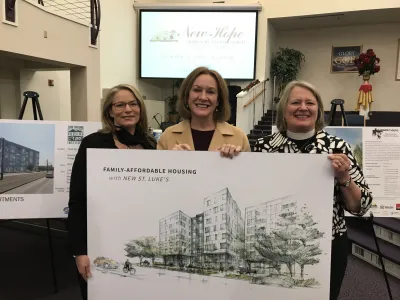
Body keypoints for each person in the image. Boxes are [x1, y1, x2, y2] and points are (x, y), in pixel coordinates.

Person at [252, 80, 373, 300]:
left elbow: (361, 206)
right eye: (295, 102)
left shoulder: (338, 147)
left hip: (327, 244)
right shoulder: (261, 148)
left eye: (310, 102)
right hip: (276, 243)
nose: (303, 107)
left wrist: (345, 178)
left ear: (318, 110)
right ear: (283, 110)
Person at [67, 84, 156, 300]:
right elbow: (77, 200)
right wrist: (79, 251)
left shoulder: (150, 145)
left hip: (134, 236)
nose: (128, 109)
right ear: (109, 111)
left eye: (133, 104)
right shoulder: (93, 143)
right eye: (120, 105)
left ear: (140, 109)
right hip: (99, 239)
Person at [157, 66, 250, 157]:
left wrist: (236, 161)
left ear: (218, 100)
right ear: (187, 96)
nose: (203, 97)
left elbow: (247, 172)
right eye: (197, 90)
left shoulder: (239, 137)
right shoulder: (167, 136)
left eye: (210, 92)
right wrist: (169, 160)